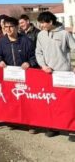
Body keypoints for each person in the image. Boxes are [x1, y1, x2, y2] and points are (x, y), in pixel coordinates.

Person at [35, 11, 75, 142]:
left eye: (43, 22)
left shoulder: (65, 34)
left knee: (68, 103)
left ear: (50, 22)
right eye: (40, 22)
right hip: (47, 75)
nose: (41, 25)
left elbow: (74, 50)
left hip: (64, 74)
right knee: (51, 102)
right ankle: (53, 127)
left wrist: (73, 66)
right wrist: (43, 66)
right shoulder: (41, 35)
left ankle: (72, 129)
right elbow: (38, 52)